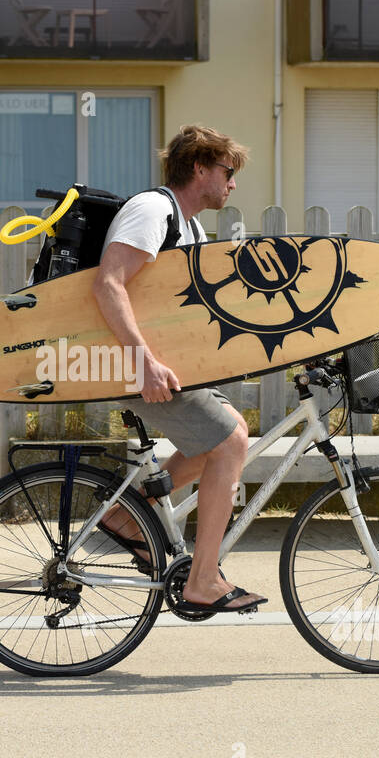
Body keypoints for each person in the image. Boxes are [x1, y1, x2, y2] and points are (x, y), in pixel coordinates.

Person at [91, 125, 267, 614]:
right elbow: (109, 284)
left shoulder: (190, 228)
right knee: (230, 440)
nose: (232, 185)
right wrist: (142, 361)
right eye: (227, 173)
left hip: (152, 361)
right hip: (128, 360)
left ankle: (130, 518)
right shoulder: (153, 211)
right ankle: (202, 580)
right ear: (199, 168)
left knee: (226, 440)